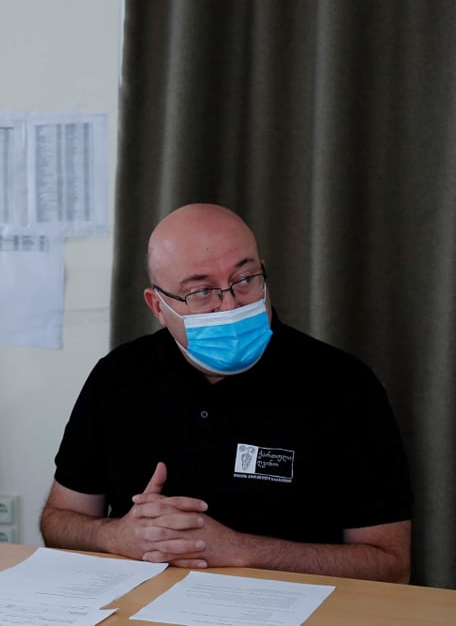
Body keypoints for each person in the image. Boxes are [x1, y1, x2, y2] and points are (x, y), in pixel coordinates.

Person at [40, 203, 413, 583]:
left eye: (245, 279)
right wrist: (115, 535)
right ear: (158, 306)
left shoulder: (344, 385)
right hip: (145, 602)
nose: (231, 305)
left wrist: (242, 550)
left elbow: (391, 564)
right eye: (201, 291)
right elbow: (58, 522)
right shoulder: (118, 376)